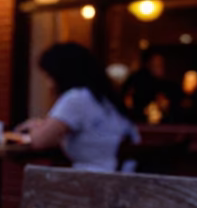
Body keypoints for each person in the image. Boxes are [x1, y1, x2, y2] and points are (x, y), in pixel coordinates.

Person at [16, 42, 139, 171]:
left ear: (62, 75)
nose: (48, 85)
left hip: (98, 179)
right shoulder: (104, 98)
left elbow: (39, 141)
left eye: (49, 76)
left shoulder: (76, 98)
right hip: (122, 175)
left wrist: (33, 128)